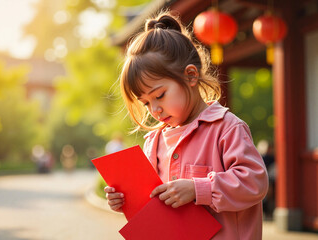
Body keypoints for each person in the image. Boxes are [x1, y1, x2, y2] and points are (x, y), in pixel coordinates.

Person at [104, 11, 268, 240]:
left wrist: (197, 189)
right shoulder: (154, 142)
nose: (155, 110)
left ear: (191, 76)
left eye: (160, 95)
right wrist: (126, 201)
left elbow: (254, 182)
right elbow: (154, 206)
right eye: (146, 103)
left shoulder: (226, 128)